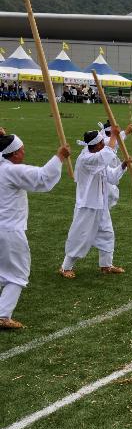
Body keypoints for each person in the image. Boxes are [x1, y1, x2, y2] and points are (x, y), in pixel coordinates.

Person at [0, 134, 69, 329]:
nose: (24, 152)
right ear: (12, 154)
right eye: (21, 149)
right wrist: (60, 157)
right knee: (18, 273)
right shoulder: (11, 171)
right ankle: (3, 315)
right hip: (9, 230)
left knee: (5, 270)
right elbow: (42, 178)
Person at [59, 129, 130, 279]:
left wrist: (123, 165)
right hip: (87, 205)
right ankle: (65, 267)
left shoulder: (98, 158)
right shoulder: (86, 159)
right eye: (101, 143)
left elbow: (111, 177)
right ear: (96, 146)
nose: (104, 145)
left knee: (107, 233)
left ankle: (106, 265)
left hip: (101, 204)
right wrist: (114, 136)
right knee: (80, 236)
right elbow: (106, 154)